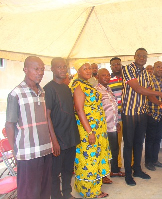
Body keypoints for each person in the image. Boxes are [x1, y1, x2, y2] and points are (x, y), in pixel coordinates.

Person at [121, 48, 162, 186]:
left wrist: (159, 102)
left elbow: (148, 94)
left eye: (144, 56)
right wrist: (160, 94)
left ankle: (137, 169)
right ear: (134, 56)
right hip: (129, 112)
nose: (142, 58)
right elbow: (138, 89)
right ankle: (128, 174)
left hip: (142, 112)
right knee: (128, 144)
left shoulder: (145, 72)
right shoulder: (127, 69)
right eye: (139, 55)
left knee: (139, 143)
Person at [5, 56, 53, 199]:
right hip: (27, 153)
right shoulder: (16, 94)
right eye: (36, 69)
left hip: (45, 149)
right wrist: (15, 150)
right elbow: (9, 124)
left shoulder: (42, 92)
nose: (40, 72)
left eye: (42, 69)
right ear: (25, 70)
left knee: (44, 190)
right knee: (29, 193)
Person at [70, 61, 111, 198]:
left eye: (89, 68)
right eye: (84, 68)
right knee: (89, 160)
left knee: (96, 158)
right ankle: (90, 192)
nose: (88, 71)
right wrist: (89, 132)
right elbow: (80, 110)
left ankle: (94, 189)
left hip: (97, 129)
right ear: (78, 71)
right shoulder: (78, 86)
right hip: (88, 130)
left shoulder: (88, 84)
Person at [44, 57, 80, 199]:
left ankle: (67, 194)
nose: (63, 70)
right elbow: (47, 116)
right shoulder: (48, 89)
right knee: (55, 172)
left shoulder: (66, 87)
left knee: (67, 170)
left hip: (70, 136)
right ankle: (56, 196)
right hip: (58, 138)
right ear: (52, 69)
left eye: (64, 67)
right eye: (59, 67)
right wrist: (54, 141)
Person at [95, 68, 125, 184]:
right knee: (103, 152)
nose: (107, 77)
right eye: (103, 75)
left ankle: (114, 170)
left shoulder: (109, 89)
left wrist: (117, 122)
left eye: (108, 75)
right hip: (103, 127)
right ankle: (102, 176)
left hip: (113, 126)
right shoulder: (96, 91)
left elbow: (114, 108)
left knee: (114, 149)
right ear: (98, 77)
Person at [145, 61, 162, 171]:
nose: (160, 69)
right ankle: (148, 162)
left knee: (158, 139)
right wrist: (159, 103)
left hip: (161, 114)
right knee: (150, 139)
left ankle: (155, 160)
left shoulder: (161, 82)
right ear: (153, 68)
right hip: (152, 114)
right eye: (158, 67)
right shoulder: (149, 79)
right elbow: (149, 95)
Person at [108, 57, 126, 177]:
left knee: (129, 141)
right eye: (113, 65)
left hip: (128, 115)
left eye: (118, 64)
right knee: (116, 143)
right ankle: (117, 166)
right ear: (111, 67)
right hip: (116, 118)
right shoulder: (108, 80)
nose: (116, 66)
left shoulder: (127, 79)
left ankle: (131, 163)